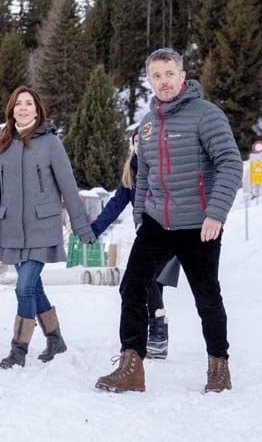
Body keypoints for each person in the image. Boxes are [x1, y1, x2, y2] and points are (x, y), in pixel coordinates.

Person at [95, 48, 242, 393]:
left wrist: (216, 214)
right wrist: (140, 218)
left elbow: (230, 164)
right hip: (157, 222)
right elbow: (142, 174)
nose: (163, 81)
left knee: (207, 297)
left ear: (181, 75)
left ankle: (219, 367)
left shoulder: (206, 115)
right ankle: (131, 365)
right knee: (132, 285)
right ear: (149, 80)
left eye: (169, 74)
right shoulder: (148, 124)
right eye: (156, 76)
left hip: (199, 224)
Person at [0, 86, 96, 369]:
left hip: (42, 227)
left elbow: (68, 187)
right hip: (11, 228)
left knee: (23, 288)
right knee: (33, 287)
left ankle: (18, 349)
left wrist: (82, 227)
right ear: (11, 110)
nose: (23, 108)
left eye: (28, 103)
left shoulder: (50, 143)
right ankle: (55, 339)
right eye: (17, 104)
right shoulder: (2, 145)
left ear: (37, 109)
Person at [90, 131, 180, 359]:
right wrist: (94, 229)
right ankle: (157, 338)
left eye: (145, 140)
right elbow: (115, 205)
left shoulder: (163, 167)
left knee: (147, 281)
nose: (140, 144)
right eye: (136, 141)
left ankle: (157, 331)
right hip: (146, 239)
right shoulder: (131, 172)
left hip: (170, 233)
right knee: (151, 283)